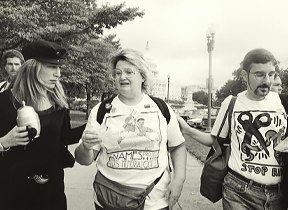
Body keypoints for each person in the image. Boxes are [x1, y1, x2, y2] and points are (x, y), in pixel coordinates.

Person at [75, 48, 187, 210]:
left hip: (155, 201)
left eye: (129, 72)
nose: (122, 77)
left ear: (142, 76)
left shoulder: (161, 109)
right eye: (118, 72)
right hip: (109, 201)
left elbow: (177, 145)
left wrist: (179, 180)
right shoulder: (101, 110)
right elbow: (83, 159)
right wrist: (85, 146)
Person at [177, 48, 286, 210]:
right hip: (239, 192)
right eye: (259, 74)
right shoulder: (232, 103)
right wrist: (186, 129)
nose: (267, 81)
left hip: (278, 195)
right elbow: (214, 140)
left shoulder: (283, 103)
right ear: (244, 75)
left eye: (271, 74)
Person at [0, 40, 82, 210]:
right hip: (12, 191)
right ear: (33, 67)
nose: (58, 74)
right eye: (52, 67)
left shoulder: (59, 104)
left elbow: (65, 137)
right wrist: (4, 142)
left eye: (59, 68)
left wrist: (94, 125)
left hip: (51, 192)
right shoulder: (4, 101)